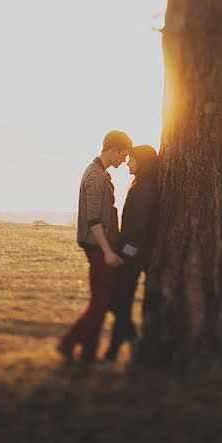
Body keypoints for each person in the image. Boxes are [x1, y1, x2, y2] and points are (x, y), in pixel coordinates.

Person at [58, 130, 132, 364]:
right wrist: (108, 251)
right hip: (97, 247)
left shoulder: (101, 173)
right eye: (124, 155)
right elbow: (93, 220)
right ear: (114, 150)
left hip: (100, 247)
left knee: (101, 301)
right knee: (100, 302)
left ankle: (87, 353)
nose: (125, 160)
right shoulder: (95, 176)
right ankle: (69, 343)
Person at [103, 144, 159, 363]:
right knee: (118, 301)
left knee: (120, 301)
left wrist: (125, 255)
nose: (127, 162)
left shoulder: (146, 188)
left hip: (133, 255)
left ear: (142, 162)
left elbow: (138, 229)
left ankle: (114, 351)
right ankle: (130, 338)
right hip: (130, 253)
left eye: (132, 159)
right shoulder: (142, 184)